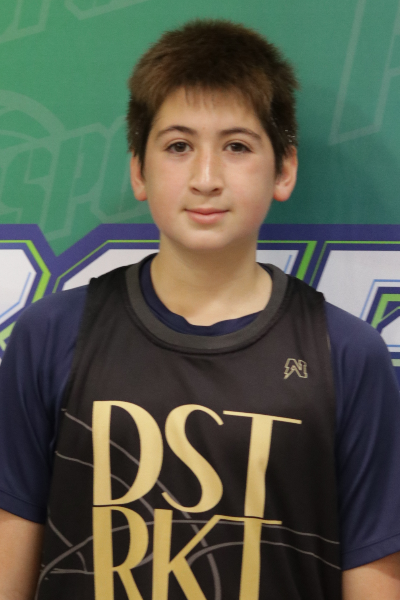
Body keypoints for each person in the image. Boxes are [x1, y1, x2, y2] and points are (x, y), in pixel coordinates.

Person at [1, 19, 400, 600]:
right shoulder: (51, 334)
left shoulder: (346, 355)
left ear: (284, 169)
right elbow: (13, 537)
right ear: (139, 170)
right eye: (178, 146)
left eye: (237, 146)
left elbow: (375, 567)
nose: (206, 178)